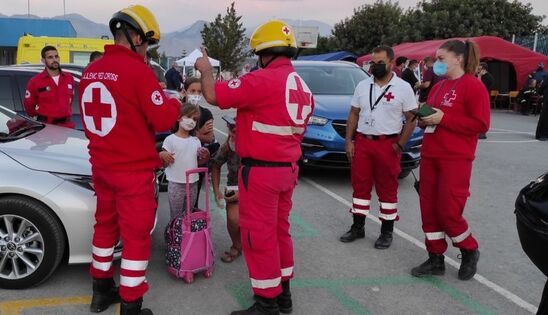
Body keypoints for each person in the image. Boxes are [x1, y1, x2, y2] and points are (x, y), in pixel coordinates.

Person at [195, 19, 315, 315]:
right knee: (279, 233)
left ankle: (266, 303)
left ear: (264, 52)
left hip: (261, 172)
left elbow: (212, 95)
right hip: (287, 169)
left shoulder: (262, 80)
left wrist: (206, 69)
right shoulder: (301, 85)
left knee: (257, 236)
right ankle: (284, 295)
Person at [79, 5, 180, 315]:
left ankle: (100, 292)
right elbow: (163, 117)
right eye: (148, 43)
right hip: (132, 172)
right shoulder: (138, 71)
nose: (147, 49)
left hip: (102, 168)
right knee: (136, 238)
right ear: (137, 37)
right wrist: (174, 103)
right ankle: (132, 306)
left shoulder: (90, 71)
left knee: (104, 228)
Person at [410, 40, 490, 281]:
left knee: (448, 210)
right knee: (429, 210)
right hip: (431, 155)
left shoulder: (473, 87)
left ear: (459, 59)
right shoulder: (439, 86)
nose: (436, 64)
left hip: (455, 159)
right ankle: (435, 258)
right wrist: (424, 119)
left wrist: (444, 119)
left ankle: (469, 249)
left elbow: (480, 124)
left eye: (441, 59)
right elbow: (434, 116)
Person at [339, 45, 417, 250]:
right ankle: (358, 227)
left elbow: (411, 118)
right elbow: (354, 113)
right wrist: (349, 141)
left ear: (391, 63)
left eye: (380, 63)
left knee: (387, 189)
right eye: (373, 63)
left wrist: (401, 144)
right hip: (363, 142)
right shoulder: (363, 86)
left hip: (388, 144)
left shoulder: (403, 87)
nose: (375, 66)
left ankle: (386, 232)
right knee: (360, 186)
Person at [160, 103, 209, 219]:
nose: (191, 121)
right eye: (188, 117)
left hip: (192, 183)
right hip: (176, 184)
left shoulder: (196, 140)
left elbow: (198, 162)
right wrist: (162, 155)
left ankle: (187, 236)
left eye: (195, 119)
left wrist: (205, 156)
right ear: (178, 118)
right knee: (176, 216)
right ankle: (175, 235)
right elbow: (165, 163)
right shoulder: (170, 140)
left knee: (189, 215)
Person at [211, 115, 242, 263]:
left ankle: (250, 244)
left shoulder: (255, 145)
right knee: (233, 219)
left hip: (253, 187)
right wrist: (216, 191)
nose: (234, 132)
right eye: (231, 129)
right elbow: (215, 165)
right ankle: (236, 245)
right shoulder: (227, 145)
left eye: (237, 130)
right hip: (233, 185)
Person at [24, 45, 76, 128]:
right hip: (46, 127)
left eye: (56, 56)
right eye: (50, 57)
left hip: (66, 126)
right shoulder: (35, 81)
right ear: (43, 60)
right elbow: (29, 105)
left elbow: (70, 100)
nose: (54, 60)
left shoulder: (69, 78)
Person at [477, 62, 493, 139]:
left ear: (484, 69)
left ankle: (483, 132)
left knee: (482, 115)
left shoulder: (489, 77)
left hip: (484, 98)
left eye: (479, 69)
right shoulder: (477, 75)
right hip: (477, 98)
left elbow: (480, 87)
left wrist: (479, 76)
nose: (478, 70)